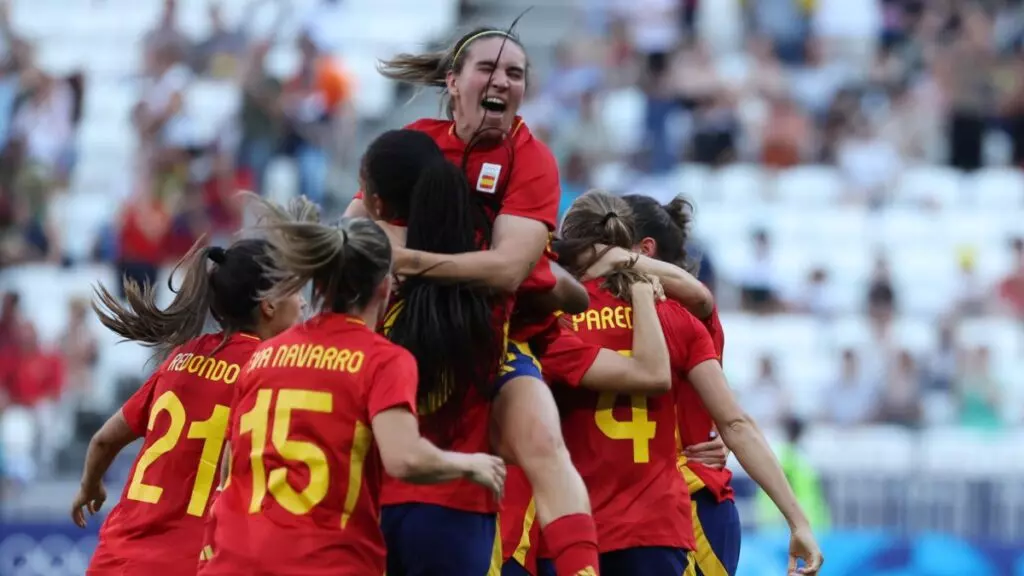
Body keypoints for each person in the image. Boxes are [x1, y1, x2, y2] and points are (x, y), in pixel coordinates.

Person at [359, 129, 673, 575]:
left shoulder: (371, 292)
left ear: (377, 205)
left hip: (374, 513)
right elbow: (571, 295)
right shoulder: (502, 286)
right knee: (546, 450)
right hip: (474, 515)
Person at [346, 28, 599, 575]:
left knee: (542, 441)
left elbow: (508, 270)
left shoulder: (532, 159)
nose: (502, 81)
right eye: (488, 68)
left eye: (515, 73)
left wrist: (409, 260)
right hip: (400, 330)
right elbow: (353, 228)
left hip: (493, 333)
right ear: (453, 81)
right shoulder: (416, 140)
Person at [198, 198, 506, 575]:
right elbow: (404, 458)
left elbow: (229, 467)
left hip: (235, 561)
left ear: (321, 282)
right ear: (385, 285)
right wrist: (469, 464)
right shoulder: (383, 359)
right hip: (324, 562)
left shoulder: (263, 356)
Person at [561, 191, 825, 576]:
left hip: (609, 513)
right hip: (672, 515)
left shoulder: (556, 320)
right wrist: (798, 520)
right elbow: (734, 423)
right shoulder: (682, 317)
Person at [71, 236, 306, 575]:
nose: (303, 303)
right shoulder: (269, 370)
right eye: (297, 291)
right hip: (188, 563)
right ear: (268, 304)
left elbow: (104, 440)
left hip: (115, 560)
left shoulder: (181, 357)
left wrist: (88, 486)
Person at [623, 194, 740, 575]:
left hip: (690, 504)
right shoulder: (604, 315)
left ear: (643, 250)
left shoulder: (685, 316)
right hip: (637, 508)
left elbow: (725, 416)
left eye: (605, 244)